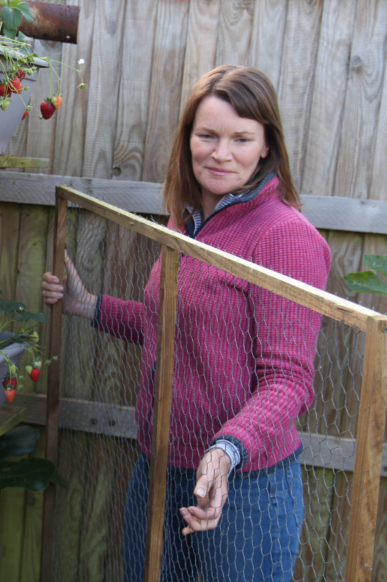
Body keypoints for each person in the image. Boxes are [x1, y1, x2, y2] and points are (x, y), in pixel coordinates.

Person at [41, 65, 331, 582]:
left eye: (241, 138)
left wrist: (226, 450)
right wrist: (89, 305)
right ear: (188, 139)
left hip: (242, 486)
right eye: (208, 136)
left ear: (266, 146)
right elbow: (171, 327)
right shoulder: (189, 221)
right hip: (160, 467)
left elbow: (289, 380)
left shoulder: (283, 236)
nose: (221, 153)